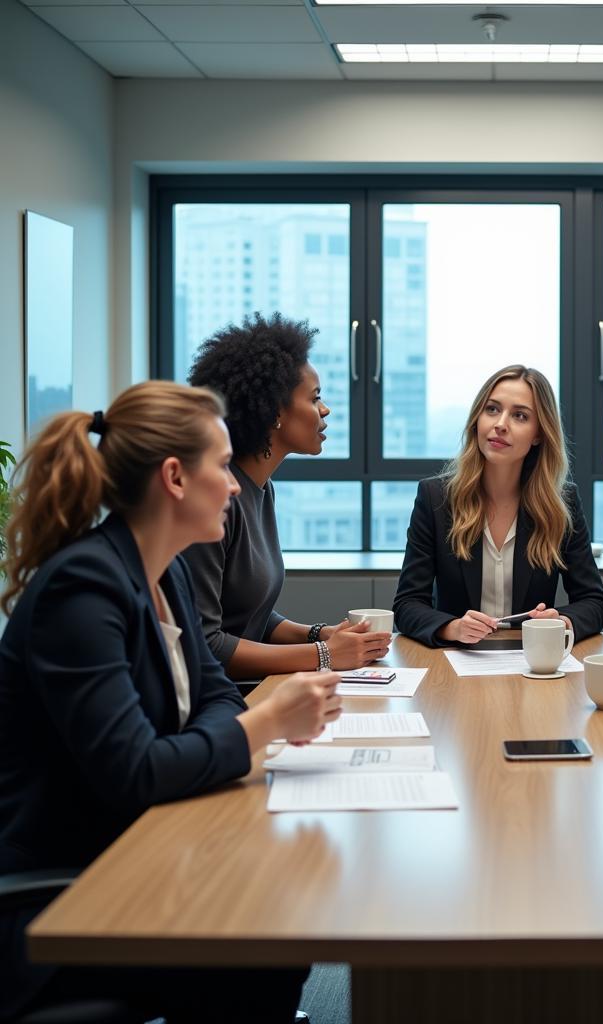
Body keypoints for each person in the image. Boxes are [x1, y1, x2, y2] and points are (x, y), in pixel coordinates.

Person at [0, 382, 342, 1022]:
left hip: (141, 855)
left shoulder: (168, 572)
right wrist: (265, 722)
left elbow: (214, 695)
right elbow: (135, 770)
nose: (236, 484)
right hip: (63, 900)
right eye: (221, 465)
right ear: (175, 478)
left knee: (284, 908)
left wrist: (236, 729)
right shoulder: (82, 589)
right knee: (268, 933)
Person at [186, 312, 390, 680]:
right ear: (276, 411)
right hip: (218, 700)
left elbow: (252, 616)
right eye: (315, 398)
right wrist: (323, 654)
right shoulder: (217, 499)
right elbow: (207, 644)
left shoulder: (262, 490)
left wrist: (320, 634)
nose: (325, 409)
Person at [393, 364, 603, 646]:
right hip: (456, 662)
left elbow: (593, 601)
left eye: (519, 415)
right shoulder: (436, 497)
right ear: (477, 419)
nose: (500, 424)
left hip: (530, 661)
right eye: (492, 409)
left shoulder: (560, 503)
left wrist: (561, 622)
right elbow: (407, 604)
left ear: (539, 434)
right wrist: (453, 627)